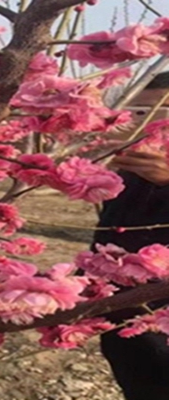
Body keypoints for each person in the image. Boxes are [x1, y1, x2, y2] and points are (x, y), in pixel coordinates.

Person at [94, 71, 169, 400]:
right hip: (128, 335)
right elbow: (105, 245)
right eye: (138, 112)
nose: (147, 124)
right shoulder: (126, 178)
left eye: (161, 114)